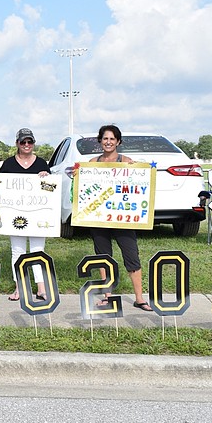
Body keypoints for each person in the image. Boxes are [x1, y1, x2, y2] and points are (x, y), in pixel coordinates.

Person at [89, 124, 153, 312]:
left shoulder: (127, 161)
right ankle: (108, 296)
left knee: (131, 256)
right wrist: (77, 175)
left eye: (112, 139)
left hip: (122, 218)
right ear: (100, 141)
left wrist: (137, 172)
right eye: (105, 138)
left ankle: (139, 298)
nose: (108, 142)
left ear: (118, 141)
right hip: (99, 218)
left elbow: (137, 185)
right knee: (104, 257)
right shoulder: (92, 163)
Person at [0, 127, 51, 301]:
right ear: (17, 144)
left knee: (38, 250)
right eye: (23, 142)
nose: (27, 145)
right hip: (15, 216)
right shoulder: (8, 164)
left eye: (30, 142)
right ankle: (20, 287)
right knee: (18, 250)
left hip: (37, 216)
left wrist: (46, 177)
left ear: (34, 143)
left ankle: (41, 288)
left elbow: (50, 190)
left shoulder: (42, 163)